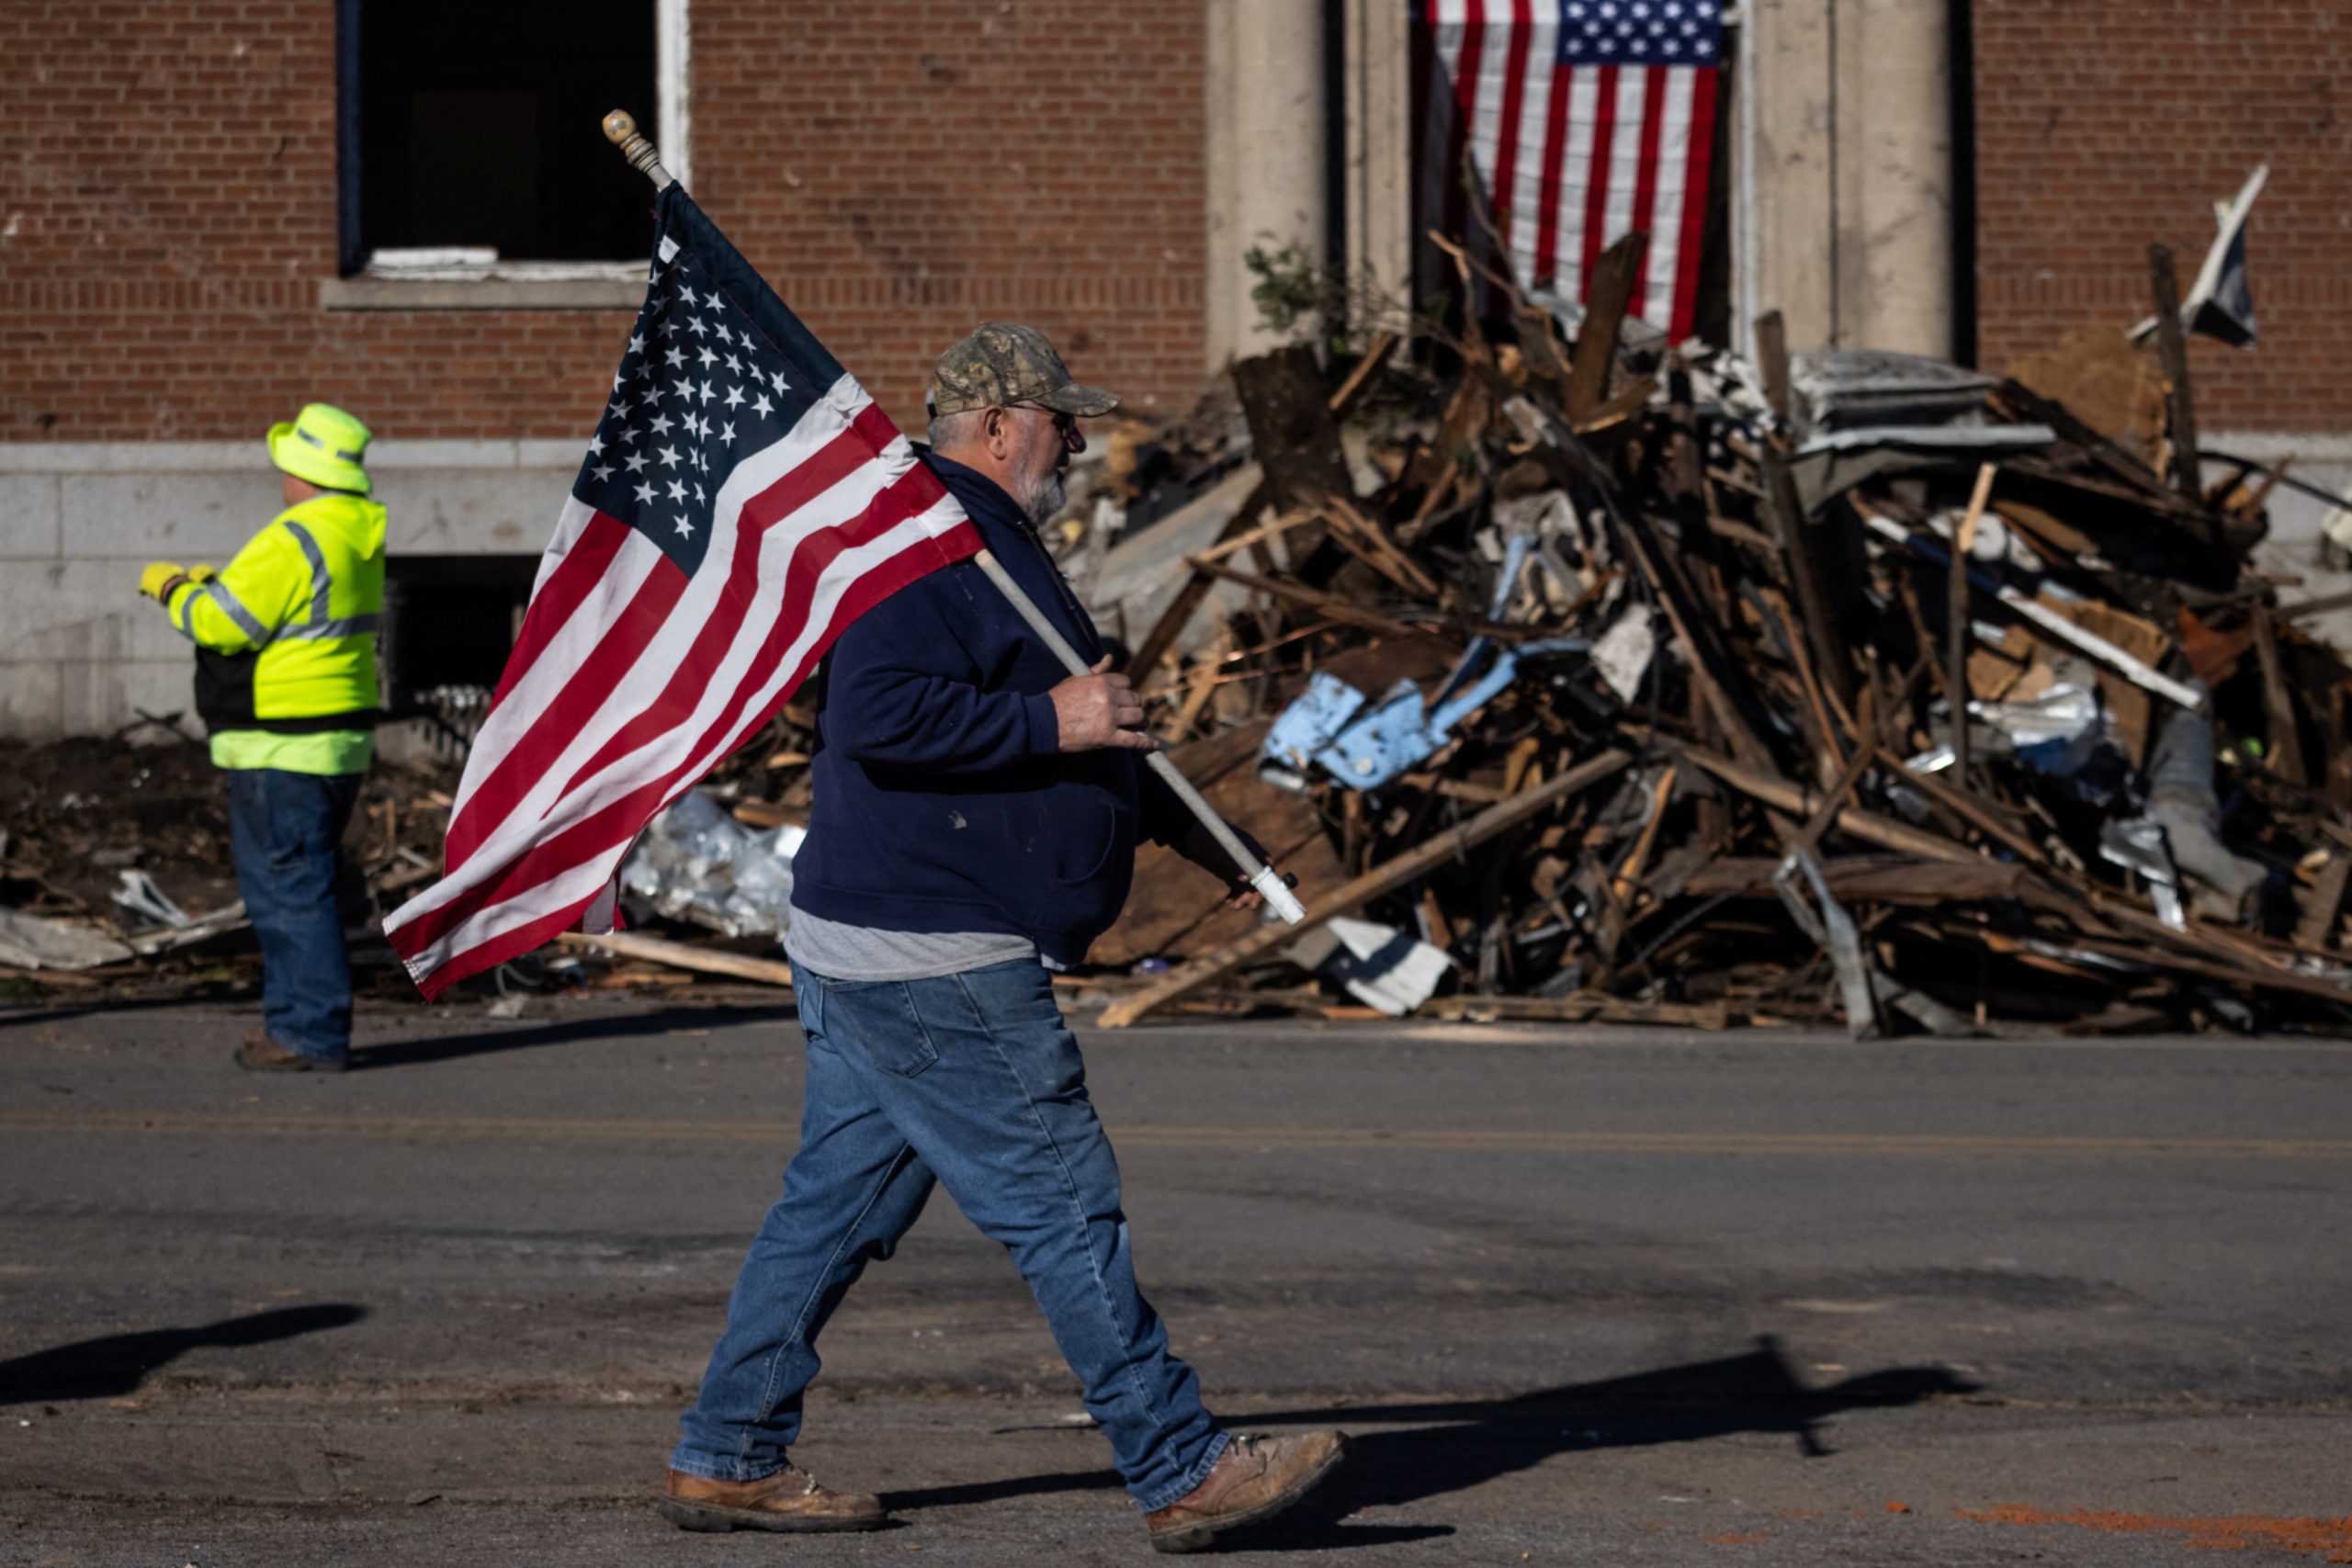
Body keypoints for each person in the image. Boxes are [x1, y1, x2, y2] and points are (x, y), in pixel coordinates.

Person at [660, 325, 1344, 1552]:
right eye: (1059, 420)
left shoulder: (993, 537)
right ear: (997, 423)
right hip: (938, 953)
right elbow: (877, 711)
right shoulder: (927, 538)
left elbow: (1095, 730)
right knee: (1063, 1205)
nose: (1078, 440)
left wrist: (1213, 849)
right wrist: (1052, 714)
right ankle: (1180, 1461)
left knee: (830, 1209)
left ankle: (728, 1448)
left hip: (880, 941)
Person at [138, 403, 386, 1074]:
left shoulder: (295, 534)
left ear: (300, 470)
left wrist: (171, 587)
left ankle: (308, 1033)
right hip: (334, 740)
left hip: (281, 744)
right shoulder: (356, 530)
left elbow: (223, 623)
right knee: (304, 883)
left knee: (288, 891)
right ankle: (295, 1024)